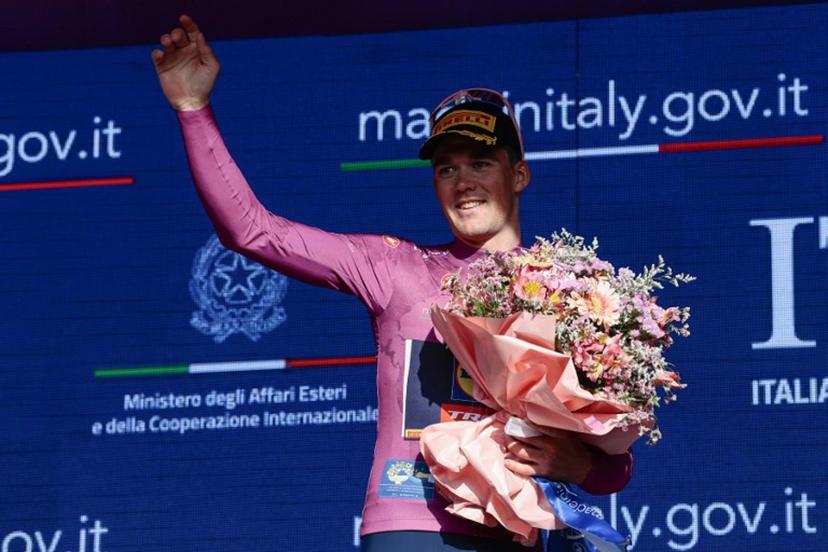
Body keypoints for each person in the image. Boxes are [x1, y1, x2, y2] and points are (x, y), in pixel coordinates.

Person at [152, 15, 633, 552]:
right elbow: (253, 231)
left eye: (481, 162)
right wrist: (193, 110)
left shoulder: (570, 293)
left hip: (516, 532)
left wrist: (575, 462)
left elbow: (614, 462)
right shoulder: (395, 267)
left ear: (518, 175)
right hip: (411, 524)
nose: (464, 181)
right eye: (446, 169)